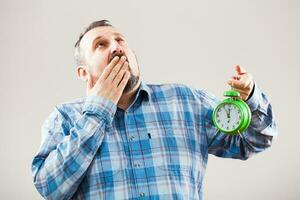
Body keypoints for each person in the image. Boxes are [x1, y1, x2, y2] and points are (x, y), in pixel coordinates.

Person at [31, 20, 277, 200]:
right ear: (84, 73)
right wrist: (98, 111)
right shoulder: (64, 118)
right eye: (101, 45)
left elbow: (255, 141)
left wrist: (252, 97)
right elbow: (50, 188)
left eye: (120, 40)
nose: (116, 47)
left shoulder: (186, 102)